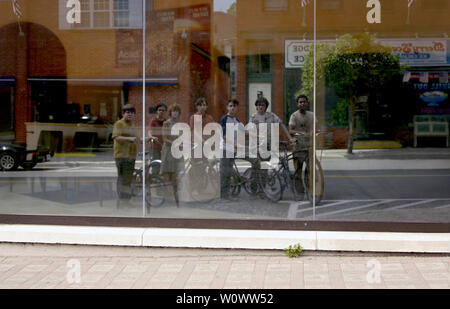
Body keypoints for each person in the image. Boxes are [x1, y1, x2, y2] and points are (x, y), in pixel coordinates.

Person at [288, 95, 317, 192]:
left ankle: (310, 189)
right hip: (298, 147)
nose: (302, 103)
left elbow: (316, 127)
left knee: (310, 169)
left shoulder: (312, 115)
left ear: (307, 103)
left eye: (304, 102)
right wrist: (302, 133)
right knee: (298, 170)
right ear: (297, 104)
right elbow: (291, 131)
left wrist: (314, 131)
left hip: (309, 146)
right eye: (300, 102)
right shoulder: (294, 116)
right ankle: (299, 191)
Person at [219, 99, 245, 200]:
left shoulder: (236, 120)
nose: (232, 108)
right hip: (225, 148)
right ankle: (223, 195)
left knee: (229, 172)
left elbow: (244, 131)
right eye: (230, 106)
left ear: (237, 108)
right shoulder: (224, 119)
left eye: (234, 106)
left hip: (232, 150)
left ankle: (227, 193)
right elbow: (224, 135)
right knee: (225, 172)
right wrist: (234, 144)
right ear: (227, 107)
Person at [112, 104, 139, 201]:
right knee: (122, 179)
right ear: (123, 113)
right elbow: (117, 137)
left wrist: (148, 139)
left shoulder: (133, 125)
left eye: (132, 113)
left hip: (131, 156)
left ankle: (126, 200)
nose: (130, 114)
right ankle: (121, 201)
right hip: (121, 155)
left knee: (128, 179)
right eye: (127, 112)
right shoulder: (119, 124)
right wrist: (130, 138)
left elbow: (137, 138)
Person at [160, 103, 183, 204]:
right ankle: (168, 196)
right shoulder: (166, 123)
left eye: (177, 111)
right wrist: (175, 143)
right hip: (168, 150)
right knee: (167, 173)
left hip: (177, 151)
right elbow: (165, 139)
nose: (175, 113)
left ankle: (174, 196)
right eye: (174, 111)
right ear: (170, 113)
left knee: (175, 174)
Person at [148, 103, 167, 174]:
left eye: (163, 110)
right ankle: (154, 180)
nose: (161, 111)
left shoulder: (166, 122)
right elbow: (149, 132)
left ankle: (160, 182)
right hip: (154, 147)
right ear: (157, 111)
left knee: (163, 166)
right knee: (156, 166)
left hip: (164, 147)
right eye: (159, 110)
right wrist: (151, 137)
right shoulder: (153, 121)